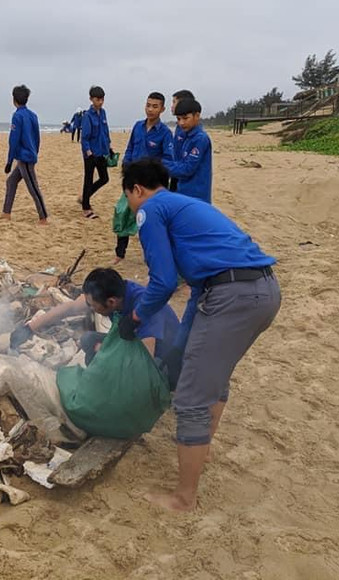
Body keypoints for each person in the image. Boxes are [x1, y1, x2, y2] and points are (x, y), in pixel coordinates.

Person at [121, 158, 280, 512]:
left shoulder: (149, 210)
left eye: (128, 198)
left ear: (136, 190)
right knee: (213, 374)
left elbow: (162, 282)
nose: (131, 207)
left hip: (232, 297)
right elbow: (197, 287)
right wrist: (181, 343)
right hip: (264, 291)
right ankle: (200, 451)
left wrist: (135, 314)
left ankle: (183, 499)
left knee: (191, 397)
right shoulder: (185, 204)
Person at [10, 267, 182, 389]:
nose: (89, 308)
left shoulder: (144, 308)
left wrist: (109, 358)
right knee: (89, 340)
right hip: (133, 348)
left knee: (110, 360)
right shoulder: (118, 291)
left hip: (164, 364)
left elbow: (145, 363)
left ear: (111, 302)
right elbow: (69, 308)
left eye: (92, 305)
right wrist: (29, 329)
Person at [114, 91, 173, 262]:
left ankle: (152, 255)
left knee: (150, 219)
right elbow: (130, 148)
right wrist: (126, 165)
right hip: (132, 179)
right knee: (122, 213)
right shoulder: (137, 127)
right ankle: (119, 253)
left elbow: (168, 160)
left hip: (150, 185)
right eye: (148, 105)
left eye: (155, 106)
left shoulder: (165, 133)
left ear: (162, 109)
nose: (150, 109)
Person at [1, 84, 49, 225]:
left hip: (25, 157)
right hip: (29, 155)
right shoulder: (33, 115)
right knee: (11, 181)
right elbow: (37, 137)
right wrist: (35, 151)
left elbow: (13, 140)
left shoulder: (17, 116)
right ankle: (6, 212)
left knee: (33, 187)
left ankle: (43, 217)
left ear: (14, 100)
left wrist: (9, 161)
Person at [163, 98, 212, 203]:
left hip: (196, 196)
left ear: (197, 116)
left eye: (185, 118)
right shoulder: (186, 135)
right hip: (182, 191)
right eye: (178, 119)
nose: (181, 123)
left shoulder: (200, 138)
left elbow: (187, 169)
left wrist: (161, 164)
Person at [79, 86, 111, 218]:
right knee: (88, 179)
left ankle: (84, 197)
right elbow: (84, 137)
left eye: (102, 99)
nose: (100, 102)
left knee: (104, 178)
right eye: (98, 99)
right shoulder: (87, 116)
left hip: (102, 151)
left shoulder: (103, 113)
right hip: (91, 154)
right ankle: (86, 207)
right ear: (91, 99)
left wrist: (109, 147)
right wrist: (88, 152)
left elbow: (105, 131)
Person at [167, 89, 195, 192]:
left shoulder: (190, 130)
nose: (172, 106)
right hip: (175, 170)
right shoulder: (179, 126)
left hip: (182, 173)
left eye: (174, 102)